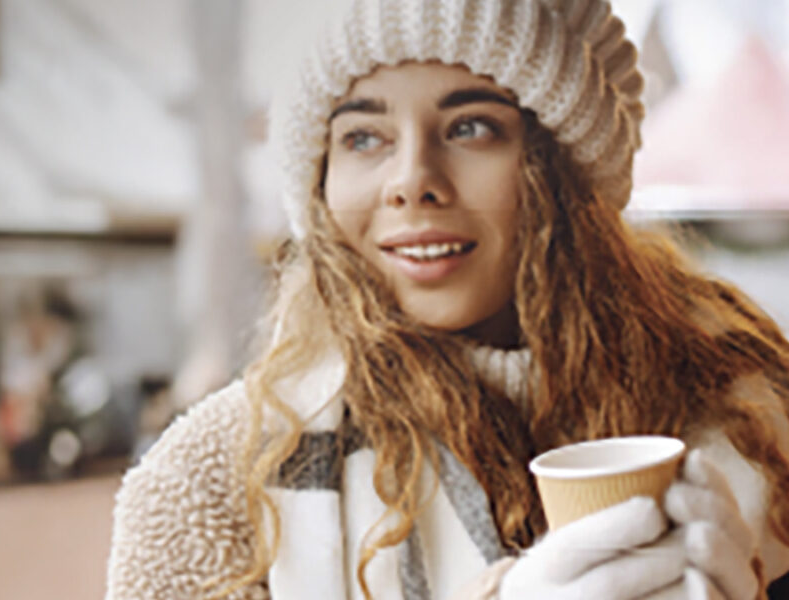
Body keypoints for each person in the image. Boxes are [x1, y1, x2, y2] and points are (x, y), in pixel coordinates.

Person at [105, 0, 789, 598]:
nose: (412, 182)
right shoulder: (214, 482)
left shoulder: (757, 416)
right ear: (319, 184)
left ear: (563, 170)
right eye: (363, 137)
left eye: (470, 128)